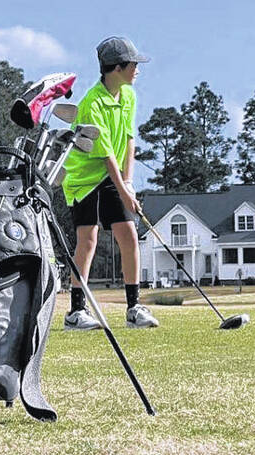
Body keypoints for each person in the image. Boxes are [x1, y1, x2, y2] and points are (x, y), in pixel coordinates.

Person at [61, 36, 159, 330]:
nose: (137, 69)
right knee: (88, 240)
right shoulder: (92, 103)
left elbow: (129, 140)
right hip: (85, 177)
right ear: (116, 68)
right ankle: (75, 313)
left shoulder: (128, 95)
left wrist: (128, 183)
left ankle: (134, 309)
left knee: (129, 235)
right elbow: (105, 156)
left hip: (113, 174)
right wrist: (123, 188)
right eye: (133, 64)